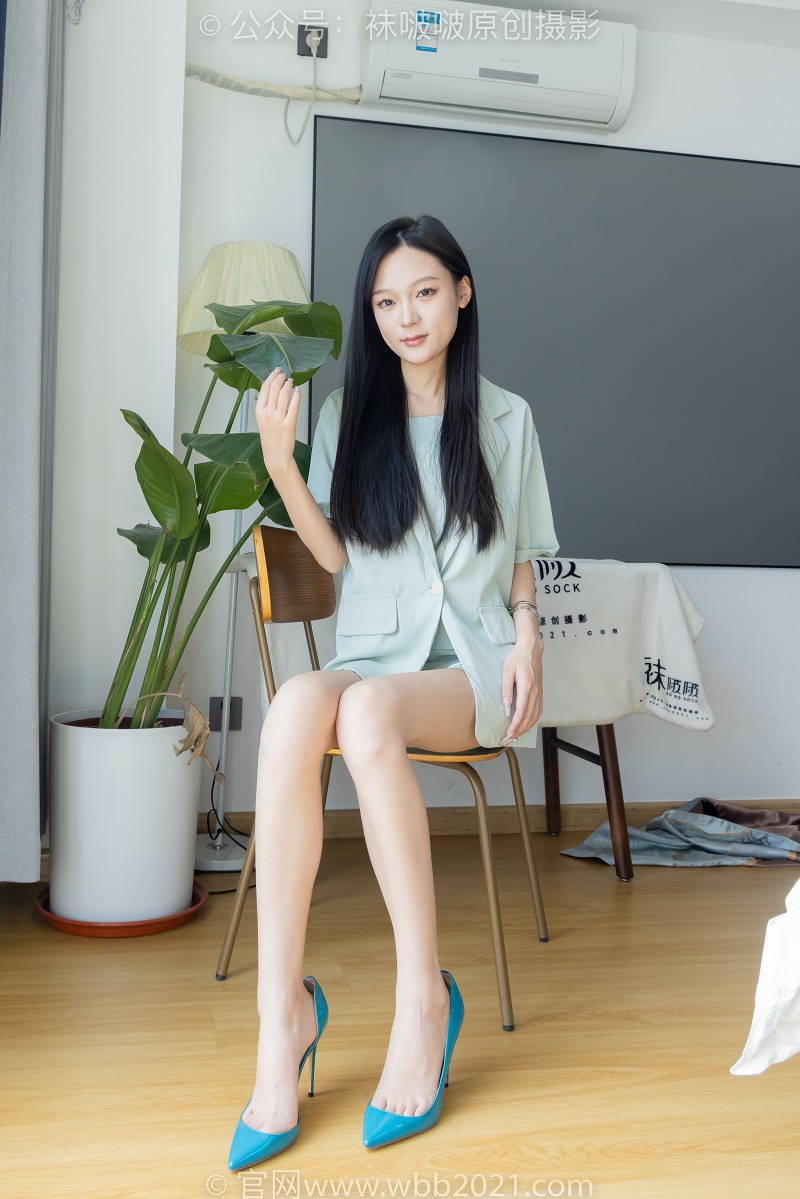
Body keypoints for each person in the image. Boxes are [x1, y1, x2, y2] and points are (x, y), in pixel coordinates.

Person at [228, 215, 559, 1171]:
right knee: (299, 706)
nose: (405, 316)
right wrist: (283, 465)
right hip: (377, 653)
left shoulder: (509, 419)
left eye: (423, 292)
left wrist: (528, 638)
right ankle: (282, 1014)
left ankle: (422, 1001)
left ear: (462, 292)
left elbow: (526, 551)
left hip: (469, 665)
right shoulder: (352, 417)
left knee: (366, 710)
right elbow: (337, 558)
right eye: (384, 301)